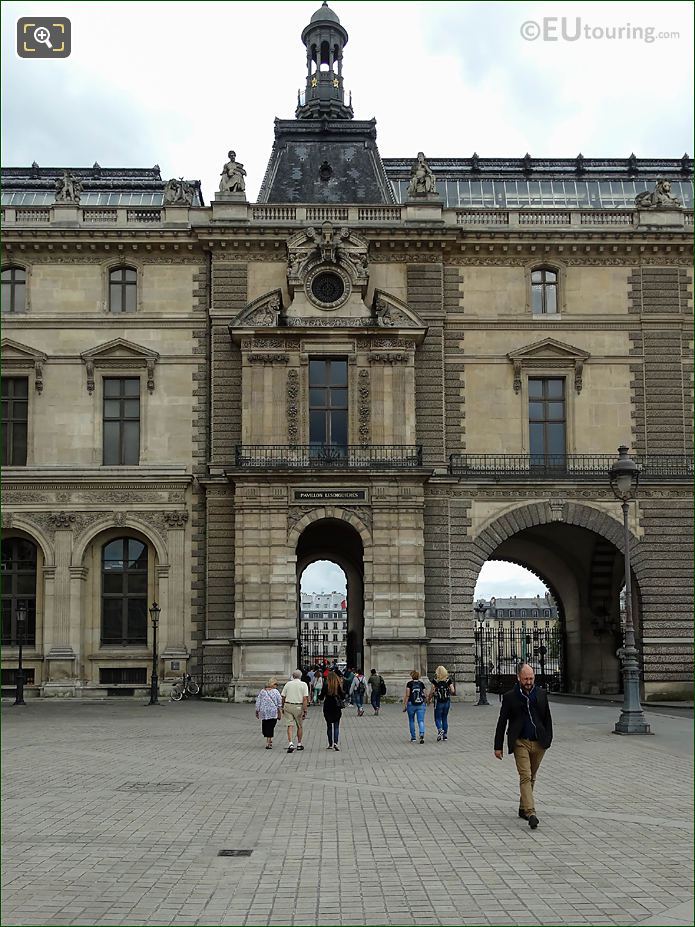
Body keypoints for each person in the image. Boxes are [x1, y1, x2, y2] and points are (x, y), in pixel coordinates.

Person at [494, 663, 553, 829]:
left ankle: (522, 807)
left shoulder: (541, 694)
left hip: (539, 742)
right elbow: (502, 722)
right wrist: (498, 746)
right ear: (519, 678)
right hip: (520, 741)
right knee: (525, 776)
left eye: (531, 678)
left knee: (532, 776)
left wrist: (548, 738)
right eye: (526, 678)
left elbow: (547, 718)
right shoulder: (510, 696)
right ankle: (531, 812)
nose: (529, 681)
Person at [281, 669, 309, 754]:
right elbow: (305, 698)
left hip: (288, 705)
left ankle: (290, 743)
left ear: (293, 676)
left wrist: (282, 706)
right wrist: (305, 709)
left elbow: (283, 696)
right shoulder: (303, 684)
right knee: (299, 726)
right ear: (301, 676)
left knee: (290, 725)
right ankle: (299, 744)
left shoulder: (288, 684)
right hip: (298, 706)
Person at [428, 665, 455, 741]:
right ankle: (445, 735)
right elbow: (453, 690)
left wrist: (429, 699)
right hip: (447, 701)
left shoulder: (435, 681)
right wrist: (448, 692)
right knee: (444, 718)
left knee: (437, 718)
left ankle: (440, 730)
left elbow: (432, 691)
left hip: (438, 702)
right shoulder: (448, 680)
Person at [255, 677, 282, 749]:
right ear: (273, 684)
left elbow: (258, 701)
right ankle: (268, 741)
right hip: (273, 711)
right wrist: (280, 711)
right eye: (276, 684)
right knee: (271, 726)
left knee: (265, 725)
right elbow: (280, 701)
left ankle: (268, 739)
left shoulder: (262, 691)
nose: (277, 685)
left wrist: (257, 710)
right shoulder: (276, 691)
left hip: (264, 712)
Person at [402, 670, 427, 743]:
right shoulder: (421, 684)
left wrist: (405, 705)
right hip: (420, 704)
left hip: (411, 704)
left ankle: (413, 737)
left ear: (412, 676)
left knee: (411, 720)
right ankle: (421, 733)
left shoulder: (409, 684)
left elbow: (407, 695)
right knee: (421, 720)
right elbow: (425, 694)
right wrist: (426, 702)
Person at [322, 671, 344, 750]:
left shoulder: (326, 685)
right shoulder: (338, 685)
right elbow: (343, 696)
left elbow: (321, 696)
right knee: (336, 726)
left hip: (327, 706)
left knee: (329, 726)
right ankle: (336, 743)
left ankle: (330, 744)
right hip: (336, 706)